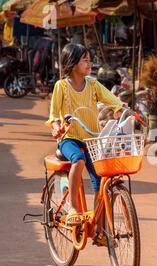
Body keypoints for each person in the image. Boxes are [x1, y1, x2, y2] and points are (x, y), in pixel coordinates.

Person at [46, 44, 124, 240]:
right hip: (69, 139)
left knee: (102, 181)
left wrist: (123, 108)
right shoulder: (61, 86)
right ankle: (73, 207)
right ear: (72, 64)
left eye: (90, 59)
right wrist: (56, 127)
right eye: (85, 60)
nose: (89, 63)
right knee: (78, 160)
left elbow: (112, 100)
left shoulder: (93, 85)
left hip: (91, 139)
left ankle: (98, 228)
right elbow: (54, 115)